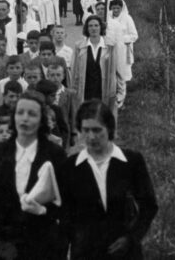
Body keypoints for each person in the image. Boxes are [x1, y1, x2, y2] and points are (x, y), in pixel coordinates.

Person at [60, 101, 158, 259]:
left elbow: (149, 205)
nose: (91, 136)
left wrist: (131, 238)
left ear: (110, 129)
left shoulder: (131, 161)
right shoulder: (70, 167)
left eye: (97, 130)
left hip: (124, 252)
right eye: (86, 130)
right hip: (86, 253)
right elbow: (65, 214)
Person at [0, 91, 68, 259]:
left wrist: (43, 211)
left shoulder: (55, 154)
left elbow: (65, 204)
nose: (25, 118)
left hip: (43, 243)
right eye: (20, 113)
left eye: (32, 114)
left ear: (41, 119)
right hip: (3, 246)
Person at [71, 15, 117, 110]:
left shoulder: (110, 45)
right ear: (87, 28)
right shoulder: (79, 46)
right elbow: (74, 69)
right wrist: (74, 89)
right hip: (85, 88)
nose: (93, 28)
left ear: (101, 27)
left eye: (96, 25)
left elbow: (115, 69)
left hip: (103, 88)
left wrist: (117, 91)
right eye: (90, 26)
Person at [106, 0, 138, 109]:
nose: (115, 10)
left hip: (123, 51)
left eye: (117, 8)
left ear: (122, 8)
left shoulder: (127, 18)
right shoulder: (108, 18)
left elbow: (134, 35)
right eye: (113, 8)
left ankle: (121, 100)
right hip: (110, 49)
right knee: (110, 73)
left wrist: (121, 39)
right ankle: (110, 98)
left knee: (121, 75)